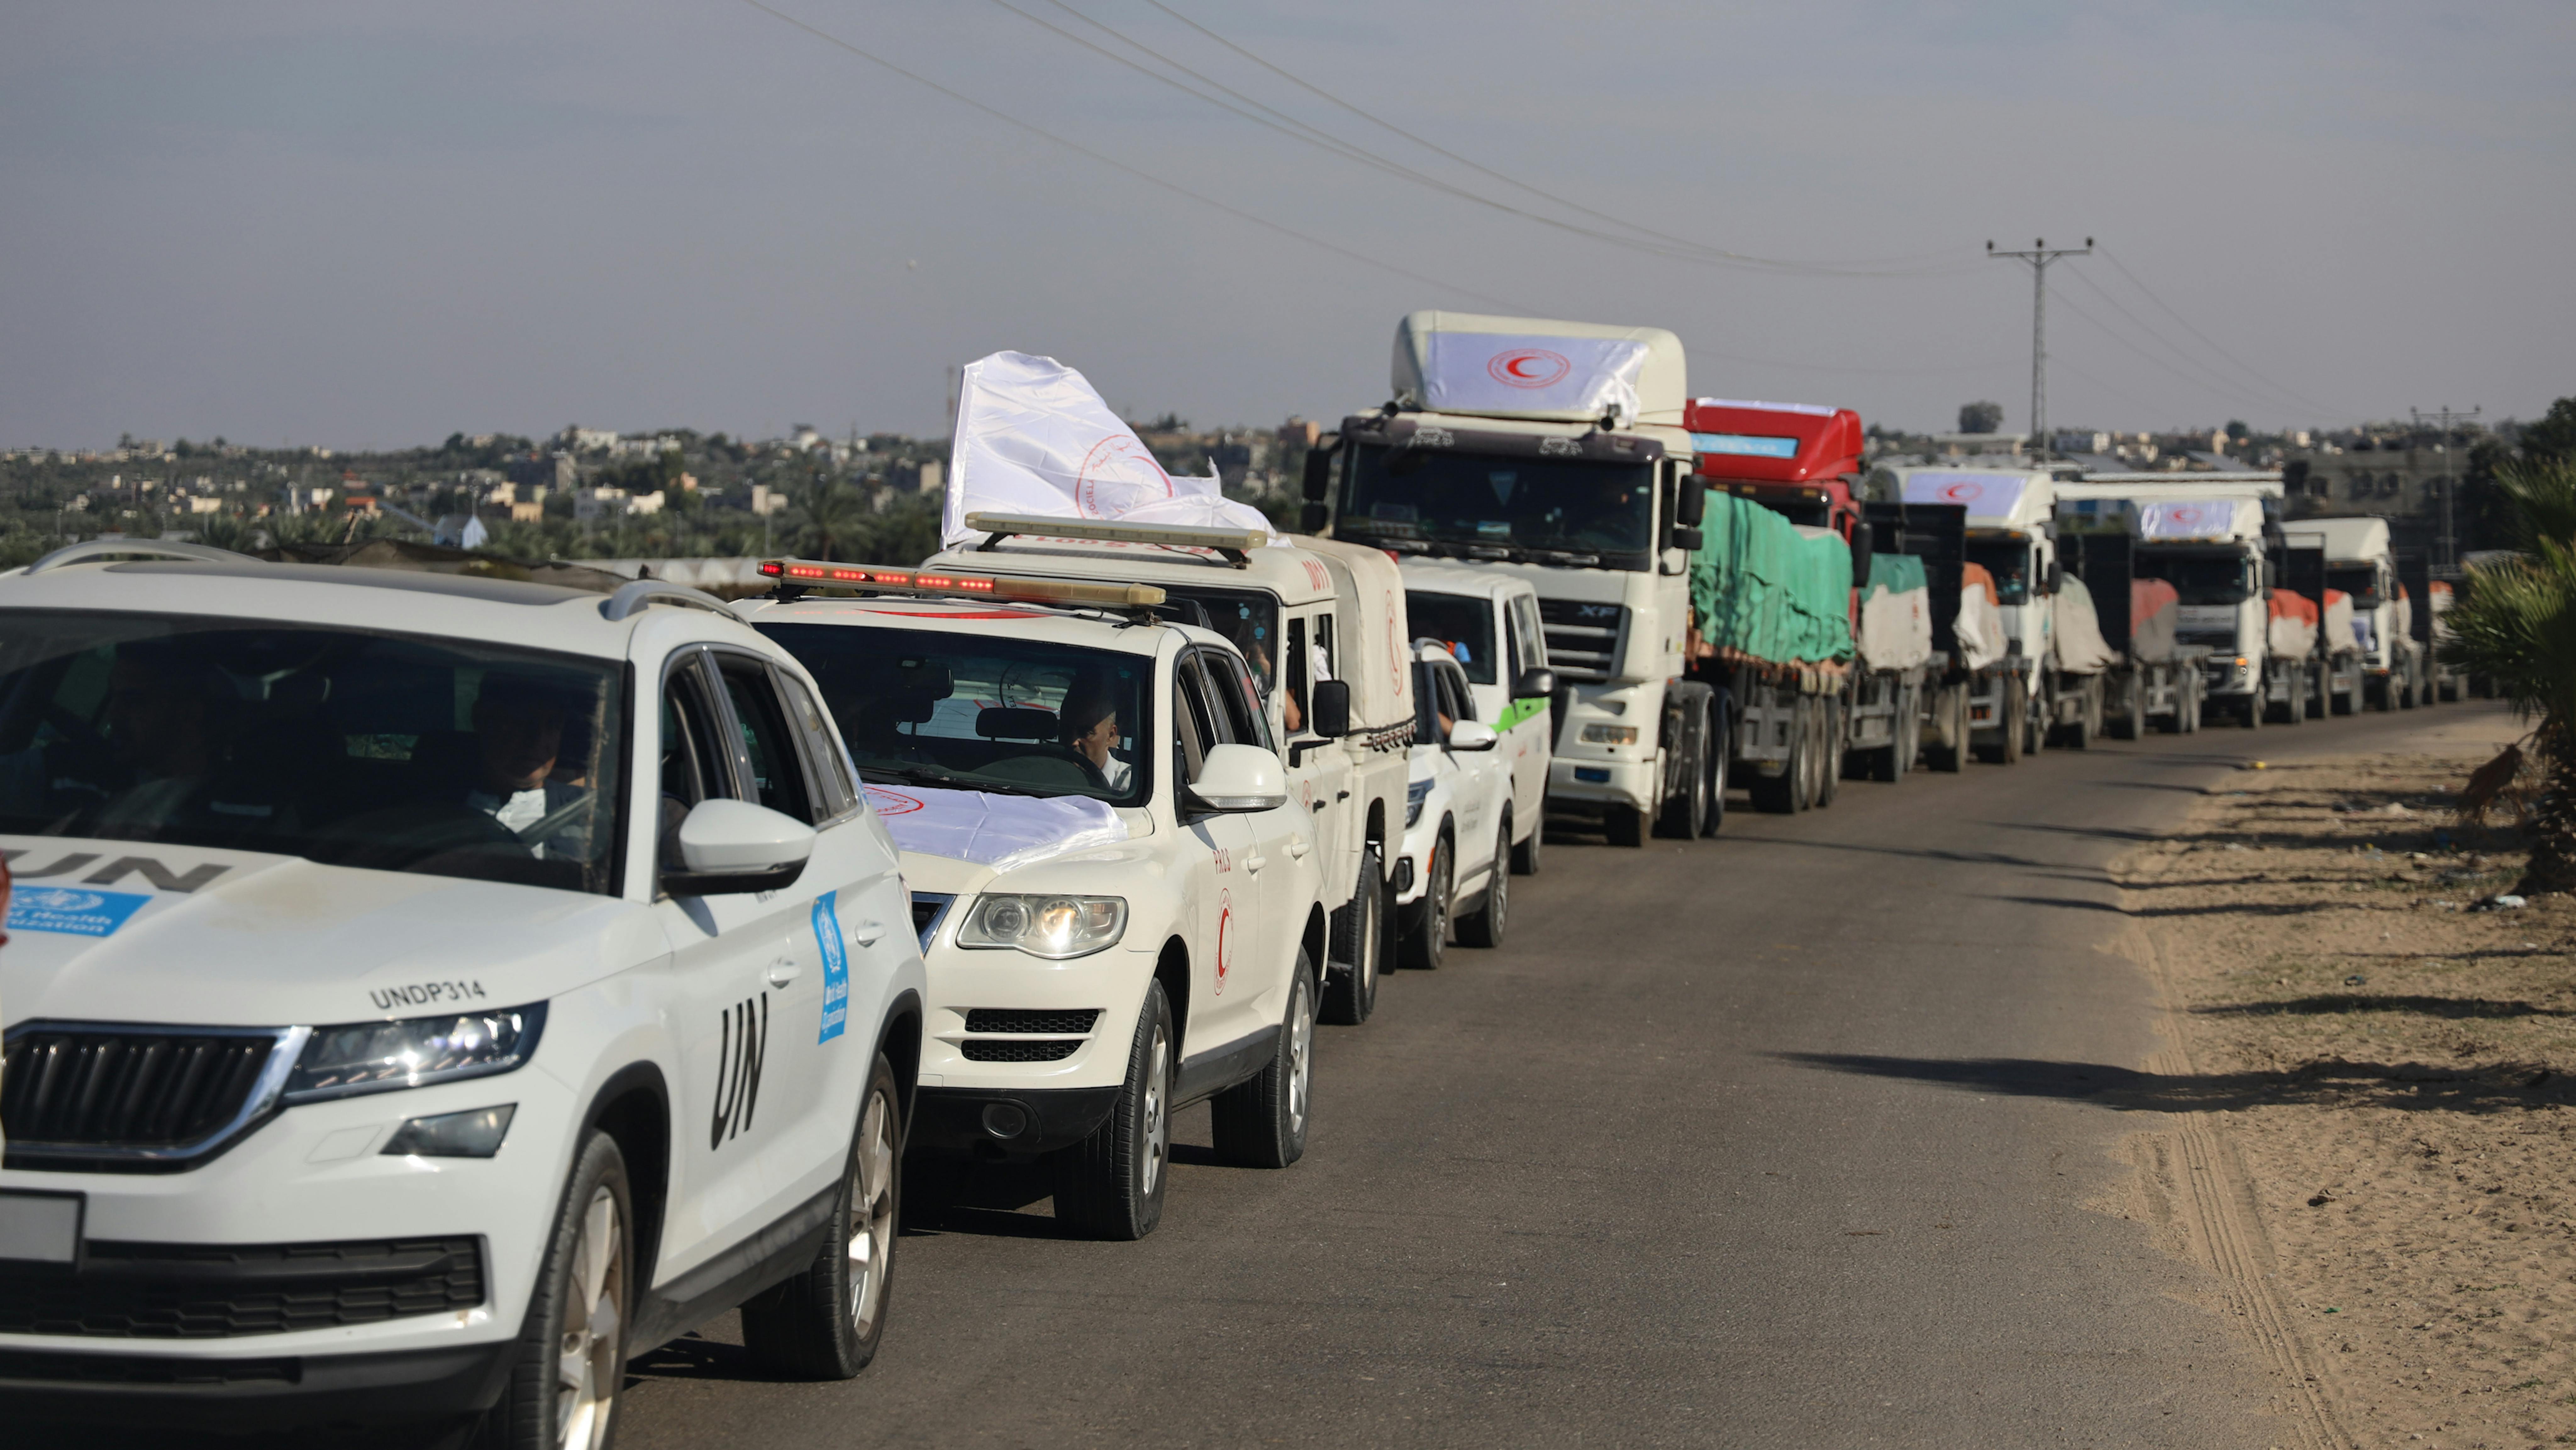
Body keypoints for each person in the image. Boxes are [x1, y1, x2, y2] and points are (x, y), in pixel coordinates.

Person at [466, 673, 595, 859]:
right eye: (521, 722)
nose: (537, 740)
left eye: (553, 725)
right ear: (481, 718)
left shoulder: (588, 813)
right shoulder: (429, 804)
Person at [1058, 677, 1133, 795]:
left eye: (1086, 732)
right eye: (1066, 730)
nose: (1073, 741)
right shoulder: (1038, 774)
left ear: (1111, 735)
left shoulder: (1129, 786)